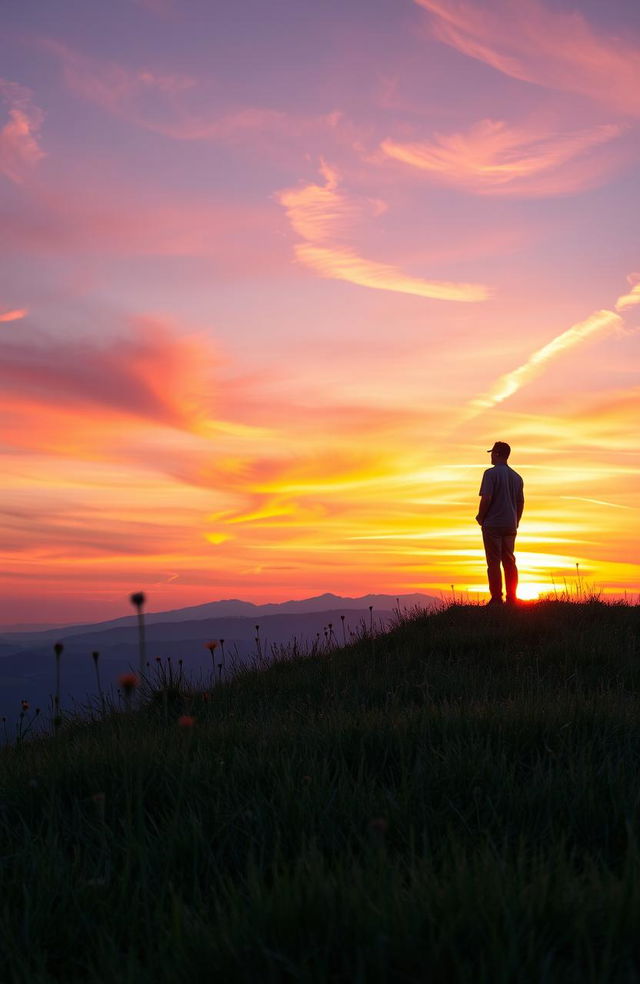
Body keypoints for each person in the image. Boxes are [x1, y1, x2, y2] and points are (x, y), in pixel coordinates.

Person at [476, 441, 524, 606]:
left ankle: (497, 598)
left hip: (493, 524)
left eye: (492, 453)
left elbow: (487, 498)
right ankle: (512, 598)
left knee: (494, 562)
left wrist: (480, 517)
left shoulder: (490, 474)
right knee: (510, 561)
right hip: (510, 524)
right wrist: (516, 521)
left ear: (496, 454)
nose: (491, 456)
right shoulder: (517, 478)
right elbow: (521, 502)